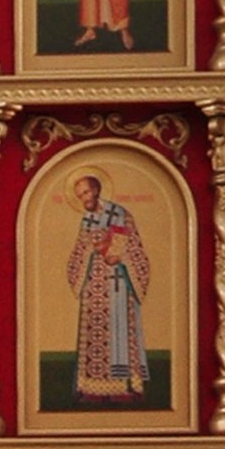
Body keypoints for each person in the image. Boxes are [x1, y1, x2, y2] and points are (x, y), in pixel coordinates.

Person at [67, 172, 152, 407]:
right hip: (94, 287)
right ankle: (91, 388)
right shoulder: (87, 220)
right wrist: (88, 252)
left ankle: (124, 388)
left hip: (119, 285)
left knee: (120, 333)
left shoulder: (120, 215)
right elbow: (79, 250)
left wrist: (119, 254)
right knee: (95, 333)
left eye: (85, 192)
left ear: (95, 190)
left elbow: (134, 247)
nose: (83, 198)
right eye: (79, 195)